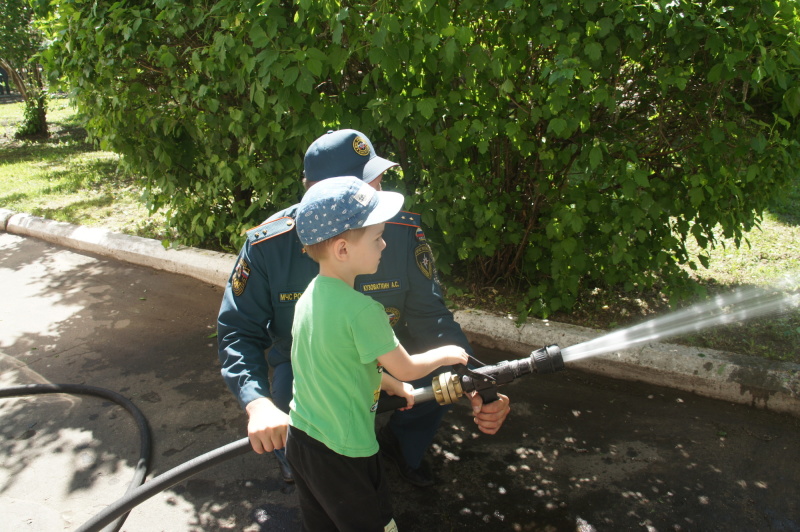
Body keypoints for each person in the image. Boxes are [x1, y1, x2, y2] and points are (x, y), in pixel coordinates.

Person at [217, 129, 511, 487]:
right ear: (321, 196)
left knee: (440, 379)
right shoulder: (268, 246)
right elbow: (238, 331)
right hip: (307, 366)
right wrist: (257, 404)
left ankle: (400, 446)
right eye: (369, 186)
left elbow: (431, 317)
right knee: (291, 416)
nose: (381, 197)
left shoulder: (397, 231)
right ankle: (298, 459)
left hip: (388, 354)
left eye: (380, 181)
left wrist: (479, 381)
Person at [286, 175, 470, 530]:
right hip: (346, 451)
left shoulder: (309, 296)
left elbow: (335, 361)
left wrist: (386, 384)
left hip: (303, 439)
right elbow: (410, 367)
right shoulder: (363, 311)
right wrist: (447, 351)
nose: (385, 245)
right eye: (377, 237)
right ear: (343, 249)